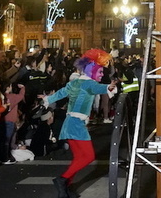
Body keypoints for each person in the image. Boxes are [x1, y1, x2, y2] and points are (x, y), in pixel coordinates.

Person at [43, 49, 116, 198]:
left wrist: (47, 100)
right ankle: (62, 180)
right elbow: (97, 88)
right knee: (88, 157)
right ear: (92, 71)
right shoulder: (89, 84)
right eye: (100, 72)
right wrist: (108, 87)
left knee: (78, 158)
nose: (102, 75)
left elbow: (61, 92)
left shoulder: (75, 82)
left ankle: (65, 189)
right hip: (76, 123)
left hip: (69, 122)